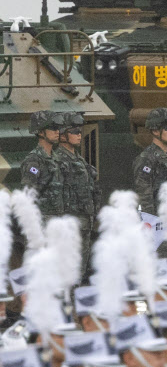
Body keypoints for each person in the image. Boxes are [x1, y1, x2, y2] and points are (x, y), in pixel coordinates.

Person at [52, 112, 99, 274]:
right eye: (74, 132)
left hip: (84, 220)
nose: (79, 135)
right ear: (62, 136)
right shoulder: (57, 160)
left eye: (80, 131)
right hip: (69, 222)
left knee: (80, 267)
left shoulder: (78, 159)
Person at [132, 109, 167, 214]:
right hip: (156, 217)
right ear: (155, 131)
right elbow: (144, 196)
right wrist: (150, 220)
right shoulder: (147, 159)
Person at [20, 111, 66, 218]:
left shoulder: (56, 158)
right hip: (41, 219)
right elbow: (28, 194)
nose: (57, 132)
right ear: (41, 132)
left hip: (57, 219)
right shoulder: (33, 161)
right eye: (53, 128)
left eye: (58, 128)